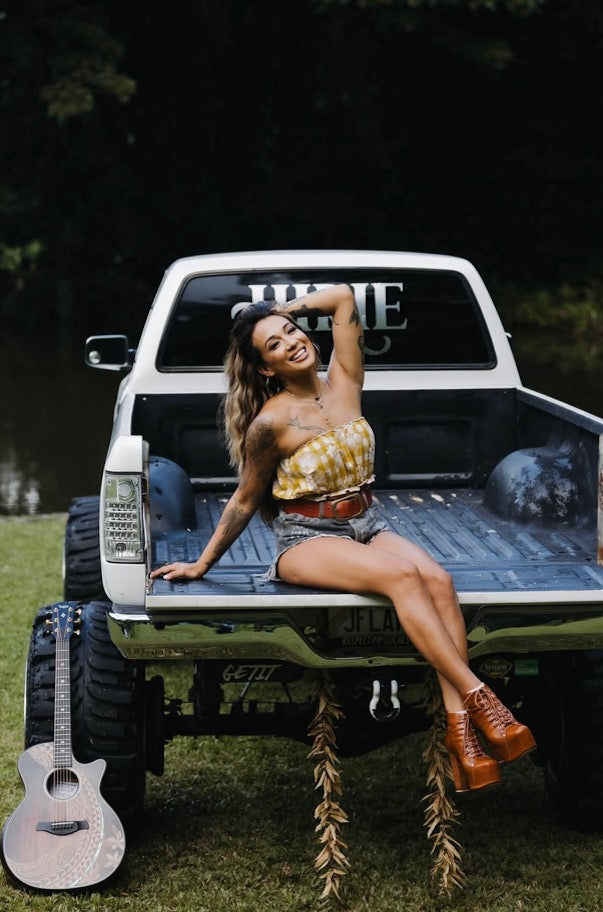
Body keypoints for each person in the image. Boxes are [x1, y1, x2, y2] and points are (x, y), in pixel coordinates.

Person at [150, 284, 536, 793]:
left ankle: (460, 733)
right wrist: (202, 564)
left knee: (439, 582)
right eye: (274, 345)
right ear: (266, 369)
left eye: (291, 333)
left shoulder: (344, 380)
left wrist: (278, 309)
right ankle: (481, 700)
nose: (290, 343)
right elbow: (245, 499)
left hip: (366, 524)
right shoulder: (270, 424)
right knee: (403, 576)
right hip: (305, 539)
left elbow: (343, 298)